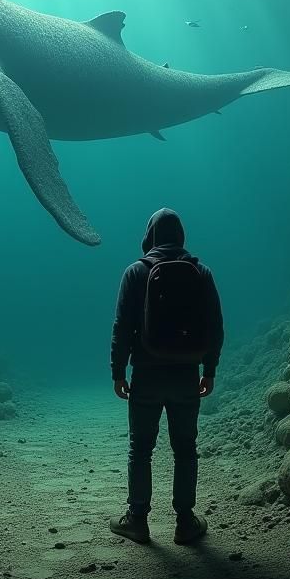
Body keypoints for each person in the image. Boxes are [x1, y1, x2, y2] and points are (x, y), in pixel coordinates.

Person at [109, 208, 224, 545]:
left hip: (145, 375)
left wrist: (118, 371)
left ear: (150, 236)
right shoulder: (201, 272)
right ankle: (185, 522)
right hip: (187, 376)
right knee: (185, 449)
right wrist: (210, 369)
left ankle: (138, 520)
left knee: (140, 449)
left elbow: (121, 328)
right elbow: (215, 328)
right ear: (181, 235)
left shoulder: (134, 272)